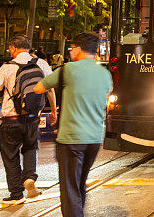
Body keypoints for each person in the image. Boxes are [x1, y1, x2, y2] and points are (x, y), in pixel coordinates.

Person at [0, 34, 56, 204]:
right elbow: (50, 89)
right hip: (32, 118)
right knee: (30, 149)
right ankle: (29, 177)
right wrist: (53, 111)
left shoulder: (7, 67)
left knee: (10, 155)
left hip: (11, 119)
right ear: (28, 48)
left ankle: (16, 193)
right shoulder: (41, 64)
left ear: (13, 48)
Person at [35, 33, 112, 217]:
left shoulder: (67, 70)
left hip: (71, 139)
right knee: (79, 184)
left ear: (78, 49)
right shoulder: (105, 74)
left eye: (71, 48)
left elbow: (39, 87)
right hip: (94, 139)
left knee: (70, 188)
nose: (71, 52)